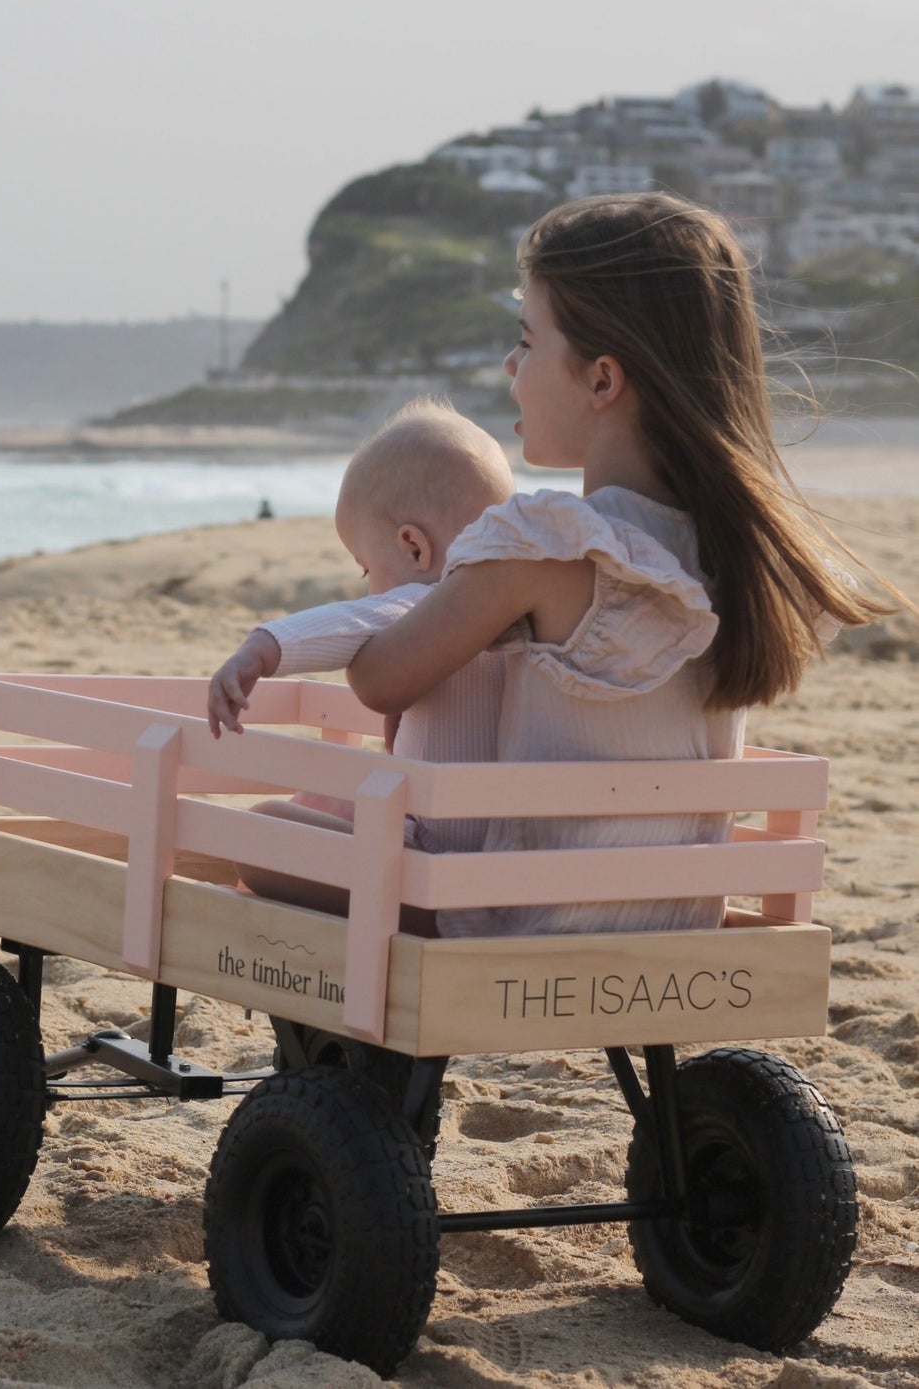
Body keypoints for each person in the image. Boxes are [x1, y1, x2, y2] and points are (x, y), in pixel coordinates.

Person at [344, 192, 895, 937]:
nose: (510, 364)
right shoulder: (731, 546)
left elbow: (377, 679)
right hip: (675, 911)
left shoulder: (548, 543)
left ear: (602, 381)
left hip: (519, 914)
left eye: (527, 341)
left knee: (277, 834)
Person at [207, 399, 514, 916]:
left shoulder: (438, 602)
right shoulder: (522, 608)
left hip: (434, 868)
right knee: (327, 802)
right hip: (494, 865)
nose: (370, 588)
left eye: (365, 567)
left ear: (415, 549)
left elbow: (355, 622)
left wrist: (262, 649)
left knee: (260, 830)